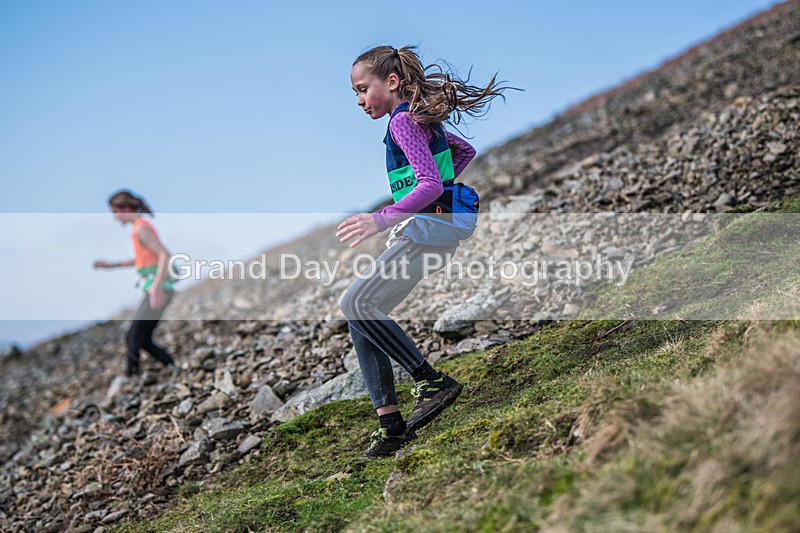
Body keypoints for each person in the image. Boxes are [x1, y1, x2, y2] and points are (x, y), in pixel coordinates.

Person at [338, 45, 511, 457]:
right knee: (362, 316)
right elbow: (463, 152)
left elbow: (430, 185)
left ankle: (431, 381)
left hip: (425, 232)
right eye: (356, 94)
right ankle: (392, 425)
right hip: (434, 230)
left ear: (392, 82)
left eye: (364, 89)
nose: (360, 101)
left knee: (355, 304)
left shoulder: (402, 122)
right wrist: (444, 193)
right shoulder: (418, 120)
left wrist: (380, 219)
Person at [94, 190, 176, 377]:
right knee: (142, 338)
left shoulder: (141, 228)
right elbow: (143, 259)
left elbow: (164, 254)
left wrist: (156, 286)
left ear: (125, 209)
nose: (114, 218)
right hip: (157, 287)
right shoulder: (139, 228)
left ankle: (131, 378)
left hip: (159, 289)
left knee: (133, 336)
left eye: (115, 212)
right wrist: (112, 265)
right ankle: (172, 365)